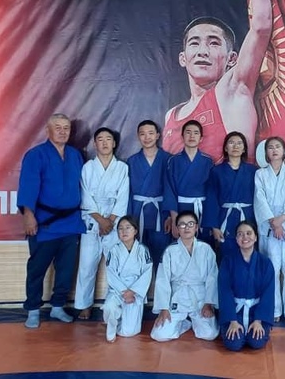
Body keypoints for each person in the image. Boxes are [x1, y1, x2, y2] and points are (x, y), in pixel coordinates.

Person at [161, 0, 272, 162]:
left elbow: (260, 28)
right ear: (183, 58)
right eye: (194, 43)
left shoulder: (232, 92)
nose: (202, 52)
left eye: (213, 43)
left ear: (232, 59)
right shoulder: (170, 116)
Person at [16, 113, 86, 329]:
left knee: (66, 270)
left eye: (66, 128)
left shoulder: (75, 155)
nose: (63, 131)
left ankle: (57, 306)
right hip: (44, 223)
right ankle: (33, 310)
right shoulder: (36, 155)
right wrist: (28, 215)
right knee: (37, 269)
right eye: (58, 127)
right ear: (48, 130)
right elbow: (28, 185)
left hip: (71, 222)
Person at [74, 127, 130, 320]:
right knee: (87, 265)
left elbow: (123, 197)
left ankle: (113, 304)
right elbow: (85, 196)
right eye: (100, 139)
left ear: (114, 143)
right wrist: (100, 220)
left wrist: (110, 221)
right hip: (92, 221)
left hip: (114, 222)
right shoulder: (88, 168)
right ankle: (84, 305)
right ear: (95, 144)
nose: (105, 143)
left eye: (108, 139)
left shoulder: (122, 168)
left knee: (115, 266)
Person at [254, 136, 285, 324]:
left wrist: (281, 221)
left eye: (278, 147)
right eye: (270, 147)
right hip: (269, 226)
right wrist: (274, 223)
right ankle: (273, 309)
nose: (274, 150)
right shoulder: (260, 174)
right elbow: (260, 199)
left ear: (284, 151)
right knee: (271, 271)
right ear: (266, 153)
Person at [150, 211, 219, 342]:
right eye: (182, 225)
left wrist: (209, 303)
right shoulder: (170, 251)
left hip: (200, 297)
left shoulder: (206, 249)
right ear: (177, 229)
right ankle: (184, 323)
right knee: (159, 334)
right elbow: (162, 280)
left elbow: (212, 277)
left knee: (210, 334)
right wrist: (164, 308)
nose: (186, 227)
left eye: (190, 224)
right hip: (177, 297)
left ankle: (194, 321)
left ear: (196, 227)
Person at [218, 221, 275, 352]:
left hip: (257, 312)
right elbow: (224, 291)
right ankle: (233, 326)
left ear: (255, 237)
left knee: (257, 342)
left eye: (249, 233)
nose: (245, 237)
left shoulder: (265, 263)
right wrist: (232, 320)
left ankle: (256, 325)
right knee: (234, 343)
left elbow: (268, 294)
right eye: (240, 234)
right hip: (234, 312)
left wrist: (258, 320)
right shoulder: (227, 261)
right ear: (236, 239)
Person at [203, 131, 257, 261]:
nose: (235, 146)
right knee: (227, 256)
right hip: (225, 219)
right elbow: (211, 199)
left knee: (248, 256)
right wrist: (215, 227)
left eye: (239, 143)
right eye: (231, 143)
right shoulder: (216, 171)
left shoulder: (254, 171)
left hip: (248, 218)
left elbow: (259, 199)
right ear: (226, 148)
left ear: (244, 149)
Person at [127, 120, 172, 267]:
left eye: (151, 133)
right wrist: (129, 217)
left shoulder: (168, 159)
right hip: (137, 212)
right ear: (138, 136)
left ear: (158, 135)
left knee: (161, 256)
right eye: (143, 134)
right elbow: (128, 192)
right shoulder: (132, 161)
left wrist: (170, 216)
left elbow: (171, 189)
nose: (147, 137)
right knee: (138, 257)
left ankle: (159, 283)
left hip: (161, 214)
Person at [103, 216, 153, 342]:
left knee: (128, 332)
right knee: (109, 307)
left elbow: (147, 273)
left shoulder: (143, 250)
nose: (124, 231)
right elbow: (111, 273)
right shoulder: (114, 250)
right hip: (118, 290)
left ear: (135, 231)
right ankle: (112, 323)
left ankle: (119, 317)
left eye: (128, 228)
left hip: (135, 292)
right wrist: (123, 291)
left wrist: (133, 291)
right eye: (120, 229)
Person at [163, 120, 213, 241]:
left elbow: (212, 192)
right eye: (188, 132)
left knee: (204, 245)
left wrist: (211, 220)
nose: (192, 136)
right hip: (181, 209)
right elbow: (169, 191)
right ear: (182, 136)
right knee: (182, 244)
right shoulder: (173, 161)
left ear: (201, 138)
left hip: (203, 210)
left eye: (196, 133)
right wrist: (174, 219)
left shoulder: (208, 161)